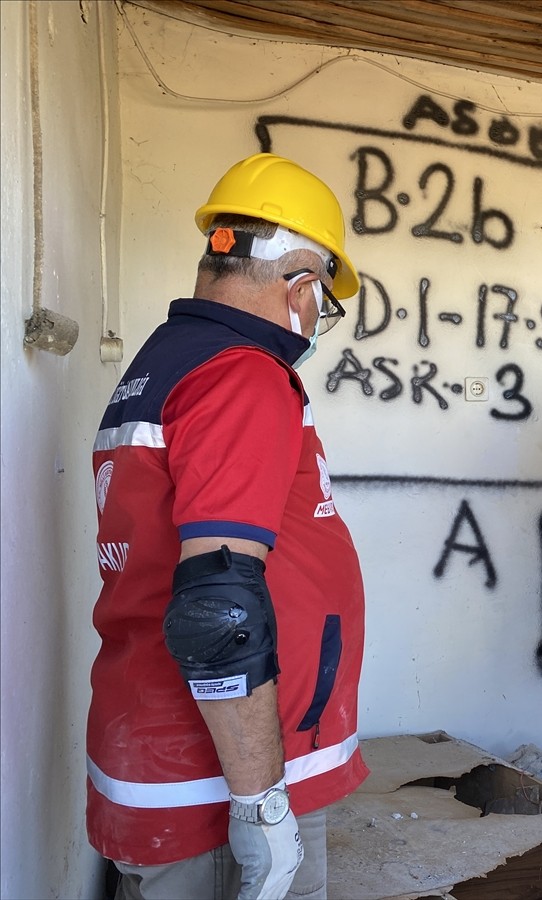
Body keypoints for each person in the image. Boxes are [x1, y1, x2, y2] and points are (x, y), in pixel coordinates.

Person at [87, 153, 369, 900]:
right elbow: (220, 607)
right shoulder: (241, 375)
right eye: (323, 302)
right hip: (217, 786)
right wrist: (260, 804)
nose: (317, 320)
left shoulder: (166, 362)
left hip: (172, 751)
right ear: (302, 287)